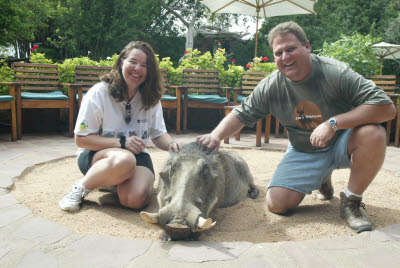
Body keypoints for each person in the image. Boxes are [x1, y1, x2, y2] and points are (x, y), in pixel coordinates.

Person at [196, 21, 396, 233]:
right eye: (278, 53)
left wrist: (333, 123)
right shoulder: (272, 85)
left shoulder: (335, 73)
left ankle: (351, 202)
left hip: (342, 142)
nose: (285, 57)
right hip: (304, 149)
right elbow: (241, 113)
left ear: (307, 46)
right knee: (277, 204)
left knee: (373, 133)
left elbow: (386, 108)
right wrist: (216, 135)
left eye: (290, 49)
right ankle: (321, 177)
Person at [59, 41, 183, 212]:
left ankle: (112, 181)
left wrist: (171, 144)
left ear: (150, 72)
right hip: (99, 156)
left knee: (135, 200)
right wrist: (122, 143)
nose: (137, 68)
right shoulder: (99, 93)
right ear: (121, 62)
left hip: (138, 155)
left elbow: (158, 133)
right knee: (124, 159)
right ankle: (80, 188)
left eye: (144, 65)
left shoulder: (151, 97)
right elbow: (81, 139)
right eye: (132, 62)